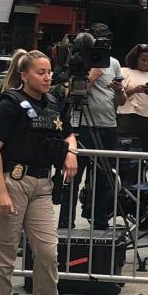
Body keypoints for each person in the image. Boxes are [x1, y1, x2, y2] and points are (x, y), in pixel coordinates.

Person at [0, 50, 78, 295]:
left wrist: (71, 151)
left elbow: (69, 133)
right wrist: (0, 192)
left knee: (48, 253)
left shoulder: (54, 103)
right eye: (40, 72)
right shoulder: (9, 105)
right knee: (5, 255)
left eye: (49, 71)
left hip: (42, 184)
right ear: (24, 75)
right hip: (14, 181)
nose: (47, 77)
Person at [58, 22, 126, 231]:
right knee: (74, 175)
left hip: (108, 124)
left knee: (103, 176)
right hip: (82, 126)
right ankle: (65, 221)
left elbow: (121, 100)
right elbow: (70, 94)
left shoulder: (112, 63)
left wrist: (119, 89)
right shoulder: (79, 61)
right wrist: (92, 74)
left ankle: (100, 221)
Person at [117, 44, 148, 152]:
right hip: (128, 117)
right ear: (136, 58)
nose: (145, 63)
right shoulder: (125, 72)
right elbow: (117, 95)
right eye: (143, 60)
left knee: (145, 151)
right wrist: (135, 90)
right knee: (127, 152)